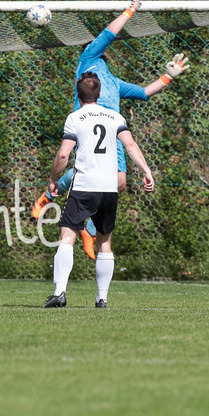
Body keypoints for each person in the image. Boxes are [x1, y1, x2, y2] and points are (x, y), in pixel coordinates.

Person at [32, 0, 188, 260]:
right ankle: (49, 195)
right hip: (86, 126)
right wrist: (131, 10)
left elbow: (143, 92)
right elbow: (108, 34)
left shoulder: (113, 81)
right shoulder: (87, 59)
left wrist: (168, 76)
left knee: (120, 183)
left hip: (112, 134)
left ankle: (88, 230)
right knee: (83, 176)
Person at [43, 72, 154, 309]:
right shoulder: (115, 116)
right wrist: (146, 171)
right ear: (99, 94)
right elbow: (130, 145)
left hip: (84, 186)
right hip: (109, 188)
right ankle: (102, 298)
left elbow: (64, 154)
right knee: (104, 242)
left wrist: (53, 178)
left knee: (67, 236)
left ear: (78, 95)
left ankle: (59, 292)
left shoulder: (75, 117)